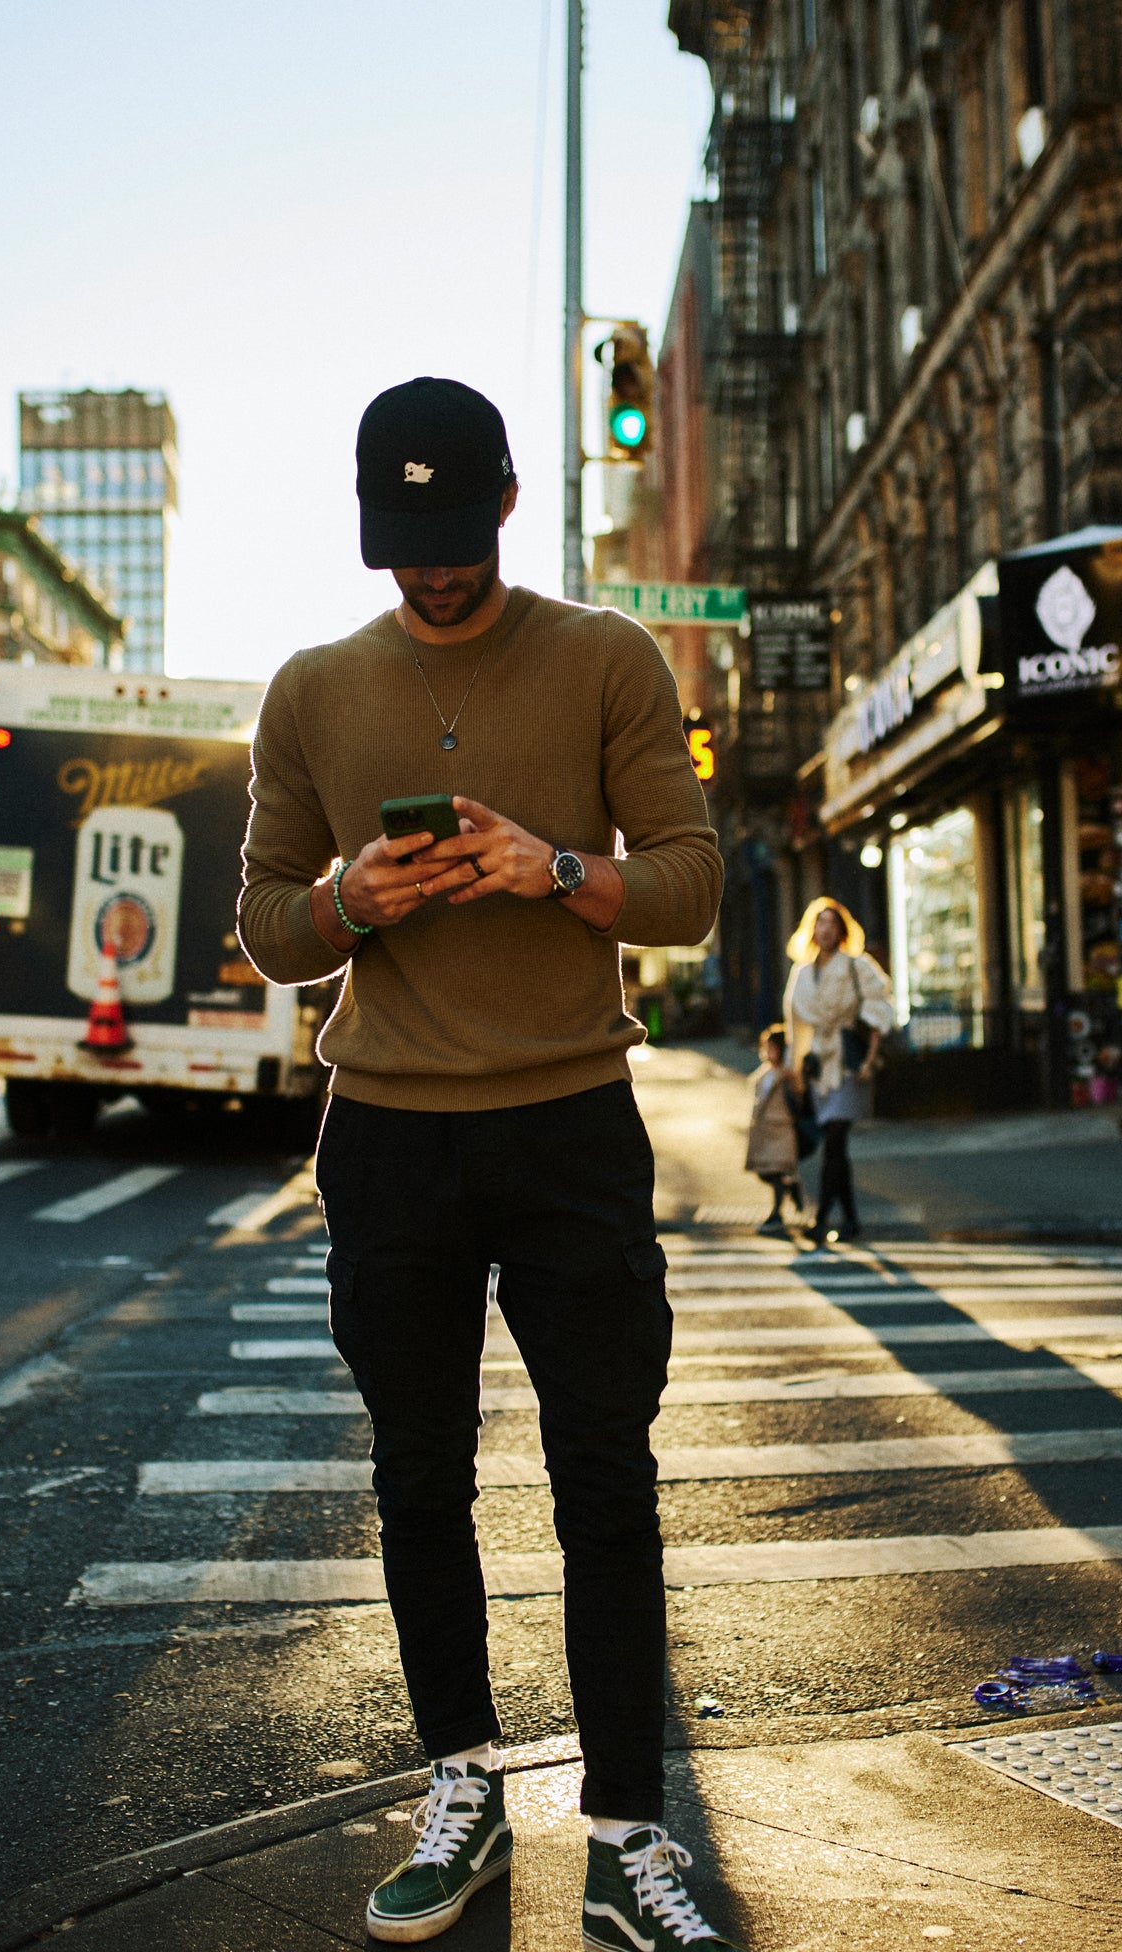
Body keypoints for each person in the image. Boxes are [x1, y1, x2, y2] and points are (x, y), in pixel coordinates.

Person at [238, 377, 737, 1950]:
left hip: (569, 1121)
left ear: (509, 504)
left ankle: (628, 1836)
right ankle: (461, 1789)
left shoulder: (606, 656)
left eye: (456, 536)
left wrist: (554, 867)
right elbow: (265, 925)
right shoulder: (313, 689)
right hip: (389, 1135)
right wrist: (351, 902)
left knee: (606, 1476)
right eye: (404, 543)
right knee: (418, 1478)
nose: (434, 570)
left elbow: (694, 885)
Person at [782, 898, 894, 1242]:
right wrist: (794, 1069)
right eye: (820, 923)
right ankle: (851, 1220)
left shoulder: (858, 966)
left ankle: (820, 1220)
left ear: (842, 931)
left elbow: (879, 1012)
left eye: (832, 923)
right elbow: (796, 1025)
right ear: (812, 929)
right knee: (836, 1148)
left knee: (834, 1140)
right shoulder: (802, 972)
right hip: (817, 1066)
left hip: (848, 1065)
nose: (826, 929)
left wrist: (869, 1059)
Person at [745, 1022, 803, 1234]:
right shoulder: (764, 1073)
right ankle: (790, 1187)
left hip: (781, 1130)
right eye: (767, 1047)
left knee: (776, 1172)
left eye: (773, 1048)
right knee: (765, 1172)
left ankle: (776, 1214)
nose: (769, 1052)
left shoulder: (787, 1075)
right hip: (765, 1132)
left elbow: (798, 1098)